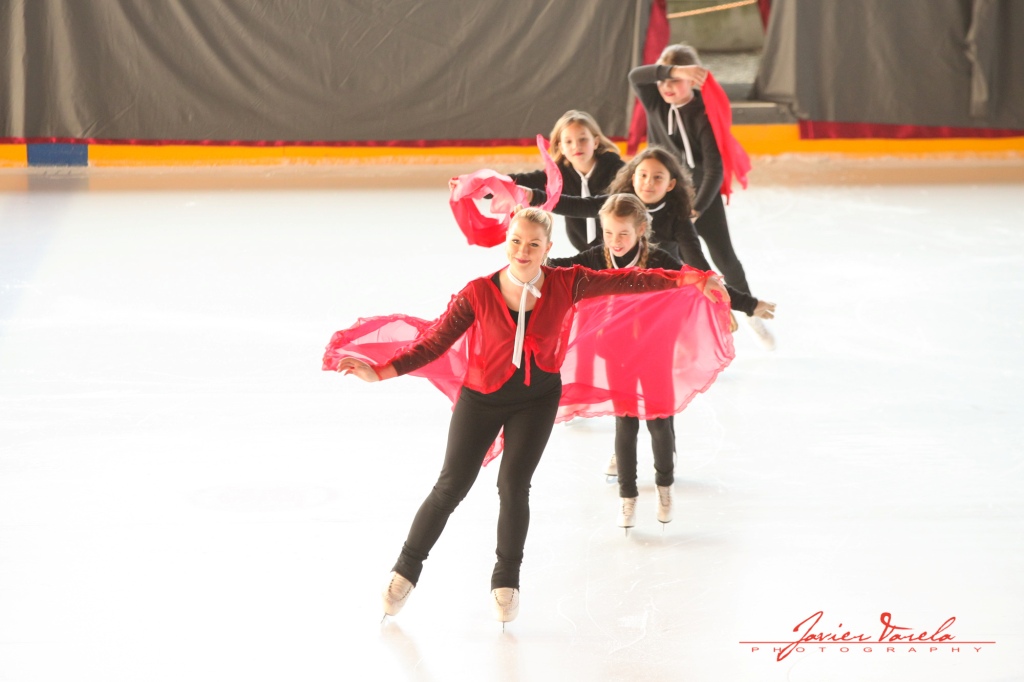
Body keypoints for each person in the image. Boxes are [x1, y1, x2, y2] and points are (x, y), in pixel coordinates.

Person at [332, 207, 727, 624]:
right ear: (507, 242)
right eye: (516, 241)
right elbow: (434, 343)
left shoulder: (568, 282)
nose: (523, 250)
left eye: (534, 244)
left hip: (536, 400)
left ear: (547, 248)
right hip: (481, 399)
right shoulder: (478, 293)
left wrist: (691, 278)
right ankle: (405, 571)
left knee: (514, 485)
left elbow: (631, 280)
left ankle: (506, 581)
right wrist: (381, 372)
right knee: (451, 486)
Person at [521, 146, 776, 476]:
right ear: (632, 178)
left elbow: (698, 268)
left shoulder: (675, 219)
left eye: (657, 177)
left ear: (670, 184)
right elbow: (575, 207)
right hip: (617, 321)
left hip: (659, 311)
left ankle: (665, 450)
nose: (648, 183)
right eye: (642, 175)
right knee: (621, 392)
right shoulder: (616, 210)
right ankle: (622, 453)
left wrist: (742, 303)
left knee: (658, 393)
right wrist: (531, 199)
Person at [548, 194, 774, 528]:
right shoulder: (597, 257)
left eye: (623, 233)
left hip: (656, 352)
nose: (615, 241)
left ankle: (664, 486)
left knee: (659, 422)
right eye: (608, 233)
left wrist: (749, 304)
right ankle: (627, 497)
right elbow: (559, 267)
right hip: (616, 353)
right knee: (625, 423)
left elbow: (703, 282)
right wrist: (530, 253)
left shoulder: (659, 259)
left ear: (640, 229)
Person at [629, 44, 776, 350]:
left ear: (693, 82)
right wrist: (674, 71)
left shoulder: (703, 114)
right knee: (677, 265)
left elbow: (714, 170)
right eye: (664, 79)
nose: (667, 86)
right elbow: (636, 76)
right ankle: (688, 326)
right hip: (664, 201)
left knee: (724, 257)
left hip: (701, 200)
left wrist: (696, 209)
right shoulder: (654, 102)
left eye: (676, 81)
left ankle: (749, 312)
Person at [506, 111, 625, 252]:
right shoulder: (559, 174)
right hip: (584, 250)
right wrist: (488, 183)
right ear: (561, 147)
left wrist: (536, 197)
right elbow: (524, 180)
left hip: (622, 247)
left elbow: (595, 207)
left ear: (595, 142)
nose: (576, 146)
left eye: (583, 139)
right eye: (569, 141)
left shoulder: (618, 171)